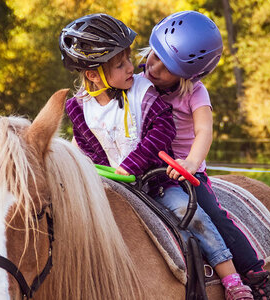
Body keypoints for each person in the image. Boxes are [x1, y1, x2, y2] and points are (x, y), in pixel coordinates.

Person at [60, 13, 253, 300]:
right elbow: (88, 146)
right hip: (114, 183)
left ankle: (234, 279)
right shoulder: (78, 108)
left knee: (196, 217)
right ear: (92, 74)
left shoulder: (143, 90)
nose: (135, 67)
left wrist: (131, 166)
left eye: (129, 59)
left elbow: (163, 130)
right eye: (121, 63)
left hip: (157, 179)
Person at [141, 10, 270, 300]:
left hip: (185, 171)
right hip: (146, 167)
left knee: (213, 216)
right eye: (154, 55)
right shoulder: (138, 82)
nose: (153, 67)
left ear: (188, 75)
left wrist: (191, 164)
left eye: (166, 67)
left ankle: (256, 276)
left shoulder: (196, 93)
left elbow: (204, 130)